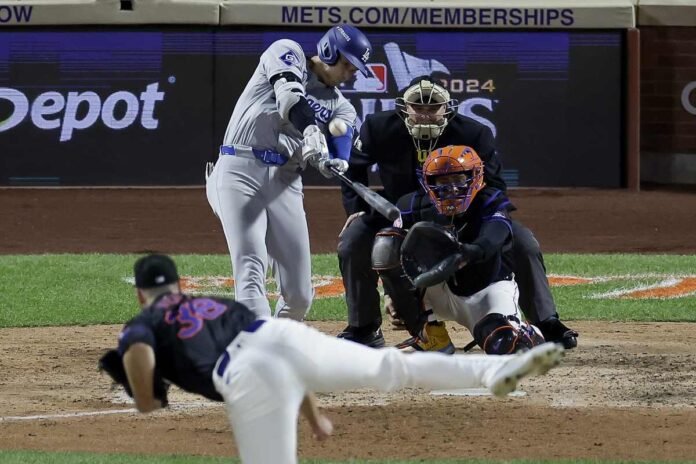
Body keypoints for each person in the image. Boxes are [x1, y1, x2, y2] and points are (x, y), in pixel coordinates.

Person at [99, 254, 564, 464]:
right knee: (391, 367)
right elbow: (277, 356)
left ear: (142, 293)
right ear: (180, 286)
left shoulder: (143, 324)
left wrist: (143, 395)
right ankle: (494, 369)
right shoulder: (217, 305)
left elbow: (141, 358)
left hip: (247, 374)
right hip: (279, 335)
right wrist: (314, 416)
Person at [337, 76, 578, 350]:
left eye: (433, 107)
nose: (425, 113)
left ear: (447, 108)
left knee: (523, 242)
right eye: (418, 106)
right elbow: (353, 171)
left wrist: (473, 221)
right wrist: (356, 211)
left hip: (463, 213)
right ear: (404, 107)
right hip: (401, 210)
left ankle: (546, 322)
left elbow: (495, 186)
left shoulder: (475, 134)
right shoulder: (377, 127)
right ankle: (366, 327)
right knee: (354, 240)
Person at [205, 25, 371, 321]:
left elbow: (341, 140)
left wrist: (334, 162)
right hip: (240, 168)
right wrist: (310, 130)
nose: (352, 73)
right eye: (348, 64)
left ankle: (280, 344)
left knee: (300, 296)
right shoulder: (287, 51)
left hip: (286, 181)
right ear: (329, 51)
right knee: (252, 269)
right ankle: (257, 357)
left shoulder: (341, 107)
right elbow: (290, 98)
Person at [375, 145, 546, 354]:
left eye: (459, 180)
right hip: (436, 289)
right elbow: (392, 255)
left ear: (475, 177)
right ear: (429, 183)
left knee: (504, 343)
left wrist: (467, 253)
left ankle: (525, 332)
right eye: (443, 182)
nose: (452, 189)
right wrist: (392, 295)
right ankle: (428, 334)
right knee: (386, 243)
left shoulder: (490, 200)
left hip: (486, 289)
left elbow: (493, 238)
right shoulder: (412, 205)